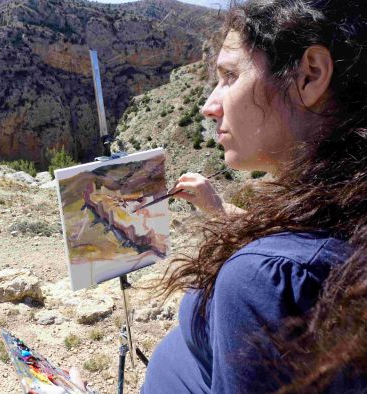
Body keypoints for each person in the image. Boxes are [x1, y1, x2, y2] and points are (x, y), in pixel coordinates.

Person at [140, 0, 367, 393]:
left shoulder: (265, 277)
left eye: (229, 76)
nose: (209, 106)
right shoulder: (344, 207)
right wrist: (215, 207)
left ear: (309, 75)